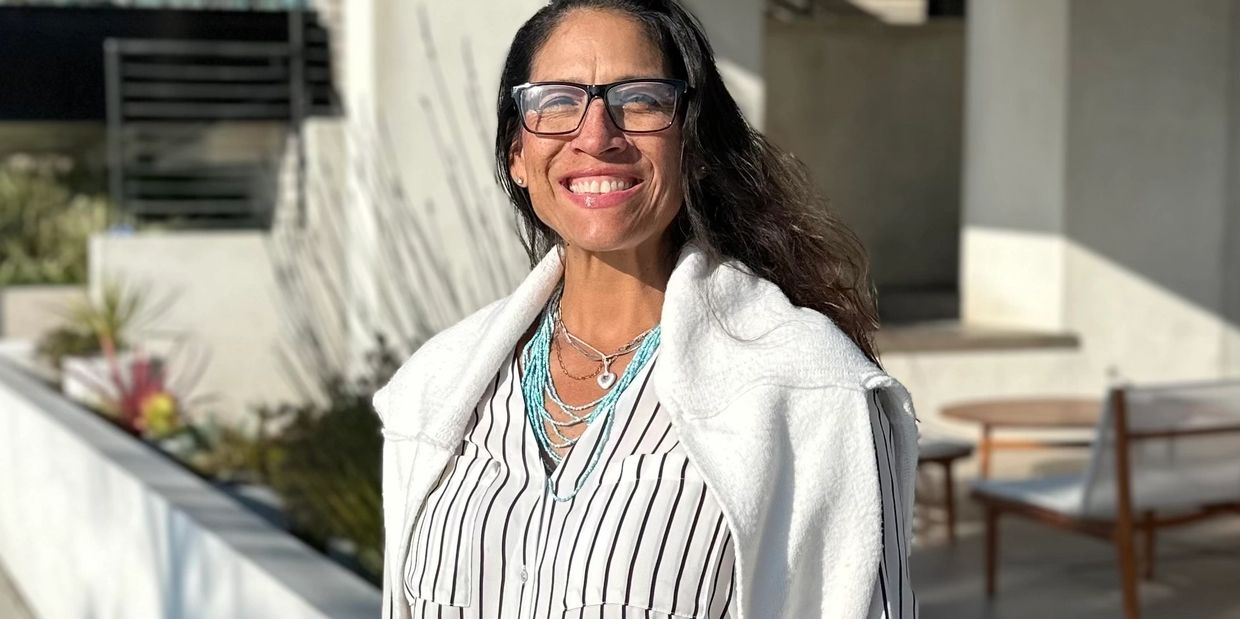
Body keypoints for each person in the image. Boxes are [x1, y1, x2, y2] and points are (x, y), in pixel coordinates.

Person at [371, 1, 920, 617]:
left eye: (640, 100)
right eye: (557, 102)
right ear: (517, 155)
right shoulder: (435, 387)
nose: (595, 136)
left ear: (693, 145)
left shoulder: (810, 393)